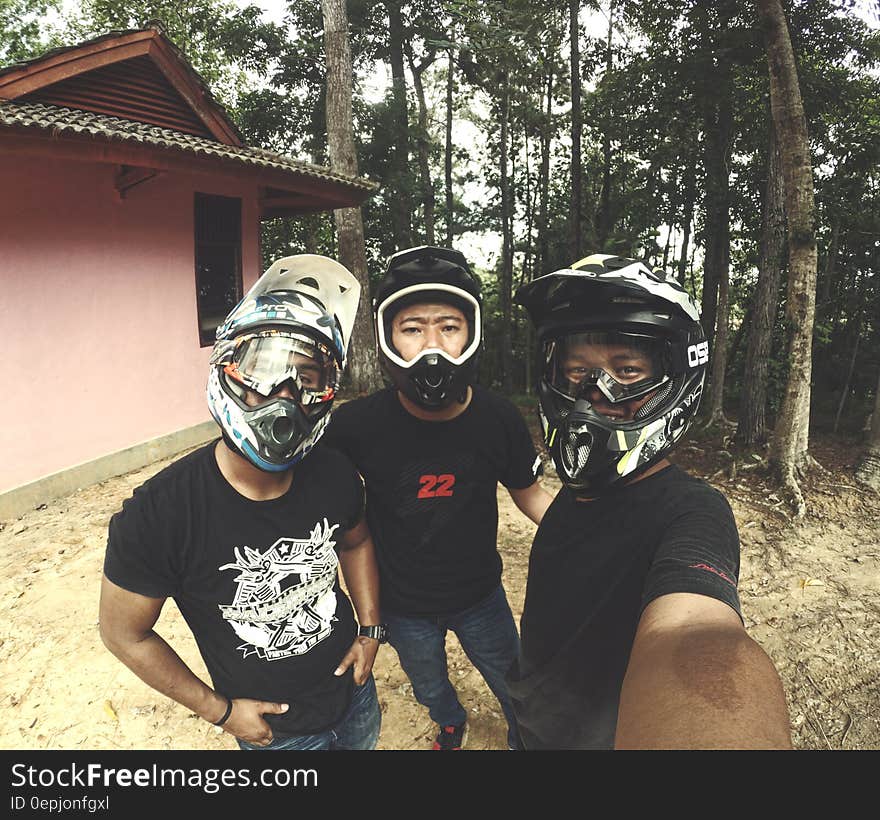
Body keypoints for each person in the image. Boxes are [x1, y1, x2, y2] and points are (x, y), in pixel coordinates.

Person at [100, 255, 386, 751]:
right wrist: (222, 712)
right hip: (274, 735)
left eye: (307, 376)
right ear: (227, 368)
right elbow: (124, 633)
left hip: (355, 696)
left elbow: (357, 543)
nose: (284, 393)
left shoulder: (335, 474)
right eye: (263, 368)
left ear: (326, 391)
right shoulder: (159, 514)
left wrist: (371, 629)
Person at [508, 253, 792, 750]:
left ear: (678, 376)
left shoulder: (692, 511)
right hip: (534, 714)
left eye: (627, 370)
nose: (594, 392)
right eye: (576, 370)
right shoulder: (579, 492)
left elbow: (696, 634)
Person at [323, 246, 553, 750]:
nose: (432, 345)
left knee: (514, 681)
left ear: (471, 334)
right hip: (402, 604)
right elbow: (316, 496)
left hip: (480, 595)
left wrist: (592, 531)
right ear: (387, 337)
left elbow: (531, 495)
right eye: (413, 328)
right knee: (428, 682)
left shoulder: (498, 419)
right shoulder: (357, 425)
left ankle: (526, 740)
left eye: (449, 327)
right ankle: (449, 720)